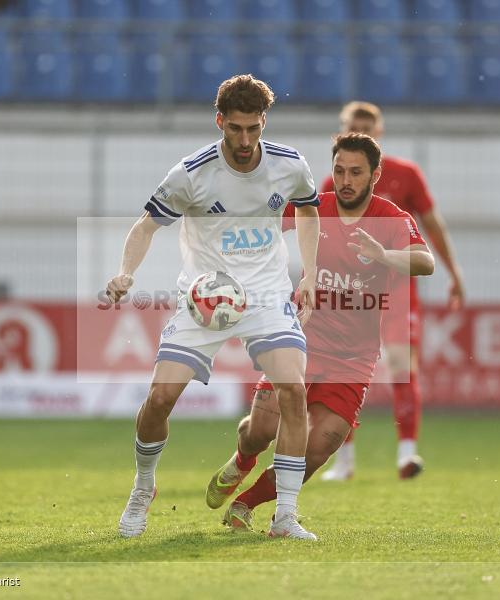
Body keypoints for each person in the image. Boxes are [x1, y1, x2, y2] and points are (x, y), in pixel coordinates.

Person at [104, 74, 321, 540]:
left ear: (264, 122)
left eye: (253, 129)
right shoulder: (191, 174)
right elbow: (146, 227)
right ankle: (144, 489)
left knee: (294, 392)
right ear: (219, 121)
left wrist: (312, 274)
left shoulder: (290, 165)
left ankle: (285, 515)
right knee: (160, 399)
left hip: (265, 295)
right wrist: (126, 272)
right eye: (235, 129)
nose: (244, 140)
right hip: (203, 300)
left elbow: (307, 209)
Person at [204, 132, 434, 530]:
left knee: (319, 446)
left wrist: (383, 255)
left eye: (356, 173)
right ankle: (242, 460)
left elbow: (425, 262)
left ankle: (248, 505)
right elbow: (262, 230)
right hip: (300, 340)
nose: (346, 180)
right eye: (340, 170)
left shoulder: (392, 219)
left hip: (354, 359)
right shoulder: (316, 207)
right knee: (260, 432)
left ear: (375, 175)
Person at [319, 101, 465, 481]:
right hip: (351, 294)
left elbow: (432, 226)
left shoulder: (406, 174)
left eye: (368, 127)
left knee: (401, 367)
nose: (362, 132)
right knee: (340, 372)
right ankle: (344, 460)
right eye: (355, 126)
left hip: (397, 289)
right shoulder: (332, 184)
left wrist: (454, 271)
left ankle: (406, 454)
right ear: (342, 132)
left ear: (380, 132)